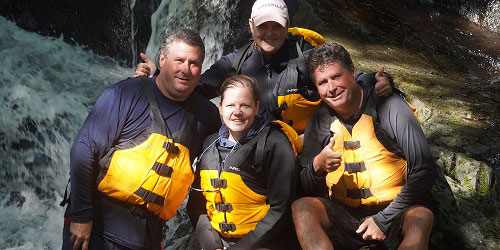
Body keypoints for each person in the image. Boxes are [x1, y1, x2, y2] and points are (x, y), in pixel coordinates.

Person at [61, 28, 221, 250]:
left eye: (193, 63)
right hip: (95, 230)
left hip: (148, 238)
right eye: (179, 60)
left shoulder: (207, 117)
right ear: (163, 59)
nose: (186, 69)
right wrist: (81, 216)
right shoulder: (124, 94)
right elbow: (83, 150)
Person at [134, 0, 393, 134]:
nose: (269, 33)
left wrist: (380, 81)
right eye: (263, 26)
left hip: (304, 146)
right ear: (251, 26)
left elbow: (342, 79)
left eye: (276, 26)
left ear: (287, 24)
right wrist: (158, 76)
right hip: (256, 145)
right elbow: (194, 87)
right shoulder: (236, 61)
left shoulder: (305, 55)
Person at [292, 42, 436, 250]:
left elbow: (425, 169)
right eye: (323, 82)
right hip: (347, 216)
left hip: (397, 211)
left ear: (352, 71)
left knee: (421, 217)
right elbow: (301, 186)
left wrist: (383, 220)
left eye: (336, 76)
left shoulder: (389, 107)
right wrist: (317, 166)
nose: (331, 88)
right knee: (302, 208)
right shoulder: (319, 121)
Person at [187, 75, 298, 249]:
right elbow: (196, 205)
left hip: (264, 243)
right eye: (230, 105)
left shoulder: (274, 144)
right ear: (221, 108)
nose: (237, 112)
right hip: (216, 242)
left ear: (256, 107)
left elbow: (281, 210)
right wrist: (211, 244)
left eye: (245, 105)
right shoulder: (208, 145)